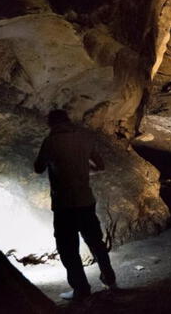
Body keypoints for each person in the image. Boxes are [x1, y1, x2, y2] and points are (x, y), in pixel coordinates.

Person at [34, 109, 117, 301]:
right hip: (85, 199)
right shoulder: (84, 138)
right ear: (68, 121)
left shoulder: (51, 142)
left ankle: (81, 288)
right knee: (96, 241)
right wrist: (83, 172)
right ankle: (109, 279)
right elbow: (100, 166)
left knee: (68, 248)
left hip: (64, 204)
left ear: (51, 124)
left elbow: (38, 168)